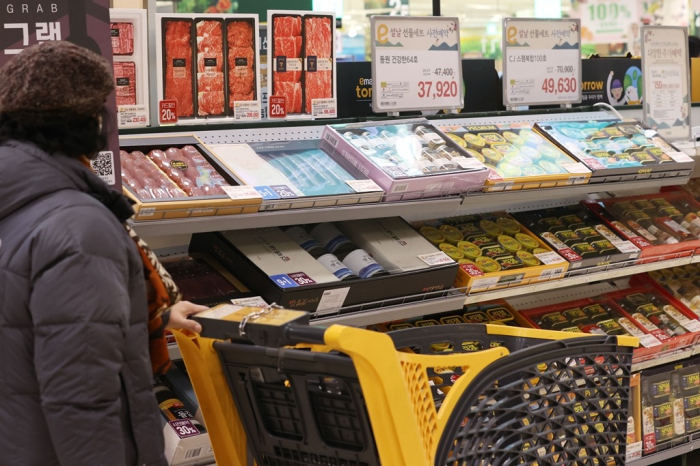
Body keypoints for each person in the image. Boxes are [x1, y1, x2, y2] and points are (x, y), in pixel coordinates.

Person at [0, 41, 206, 465]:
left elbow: (27, 316)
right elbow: (84, 398)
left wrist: (154, 315)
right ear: (91, 121)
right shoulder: (79, 226)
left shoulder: (15, 197)